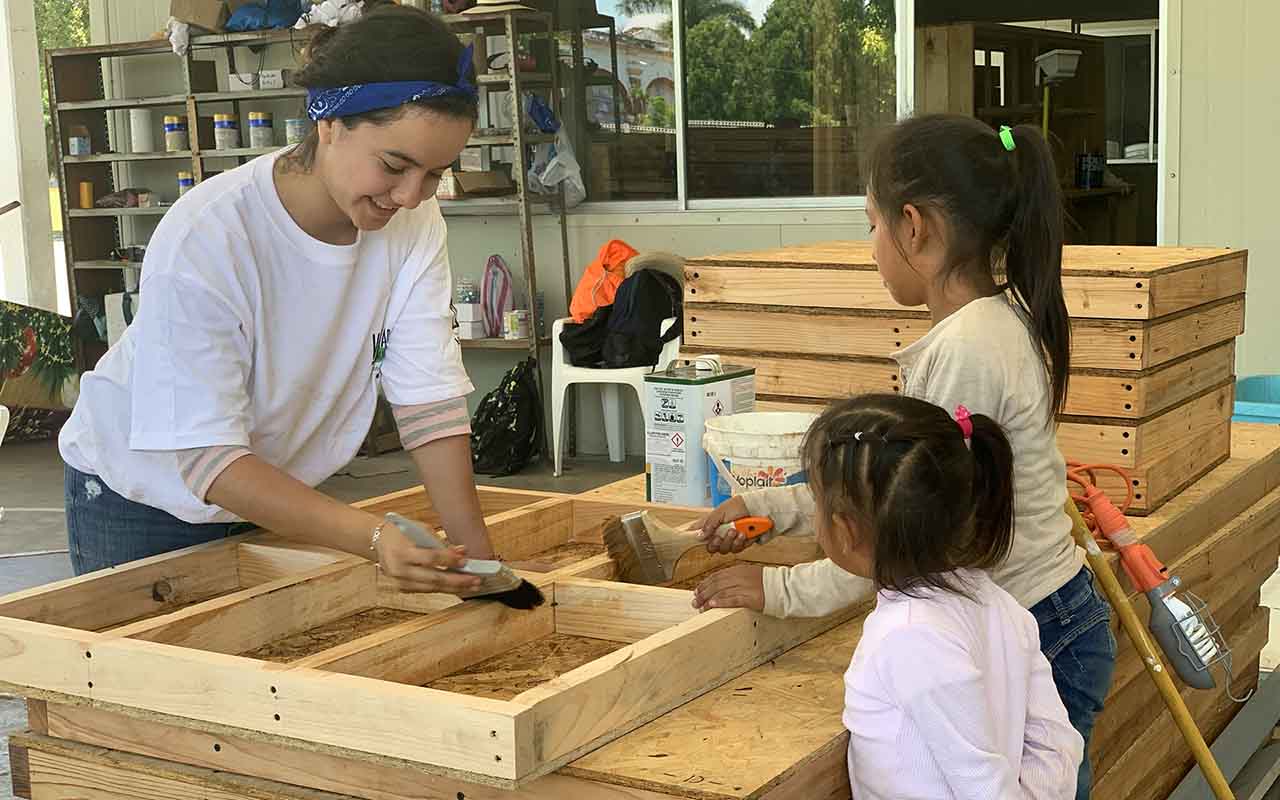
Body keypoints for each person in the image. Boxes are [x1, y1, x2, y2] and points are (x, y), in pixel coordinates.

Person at [694, 115, 1114, 797]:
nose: (870, 247)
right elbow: (885, 481)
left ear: (914, 227)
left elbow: (897, 525)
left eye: (871, 223)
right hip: (1036, 617)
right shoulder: (984, 325)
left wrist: (779, 590)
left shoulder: (968, 351)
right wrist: (771, 508)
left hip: (1034, 624)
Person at [59, 5, 497, 597]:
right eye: (395, 166)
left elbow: (428, 402)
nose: (411, 196)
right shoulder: (210, 234)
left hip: (273, 490)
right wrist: (371, 537)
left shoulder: (414, 224)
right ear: (329, 123)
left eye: (435, 175)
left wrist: (481, 566)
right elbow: (208, 462)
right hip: (142, 499)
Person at [801, 394, 1082, 799]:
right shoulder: (994, 602)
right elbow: (1056, 745)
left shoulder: (910, 637)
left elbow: (986, 789)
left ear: (846, 530)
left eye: (815, 502)